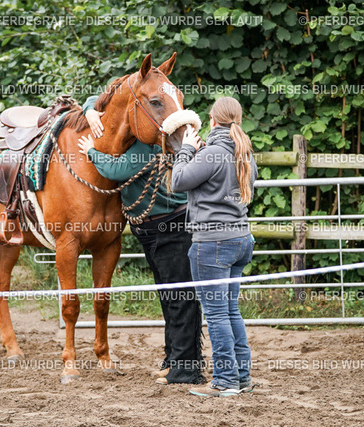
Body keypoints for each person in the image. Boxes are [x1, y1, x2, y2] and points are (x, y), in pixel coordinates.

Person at [77, 95, 205, 385]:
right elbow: (108, 98)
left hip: (170, 229)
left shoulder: (148, 146)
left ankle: (186, 368)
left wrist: (91, 151)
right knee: (171, 298)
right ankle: (175, 360)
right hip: (156, 230)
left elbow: (115, 170)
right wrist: (90, 110)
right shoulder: (152, 140)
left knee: (179, 299)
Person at [171, 96, 258, 398]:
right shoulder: (244, 152)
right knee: (230, 311)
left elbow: (178, 181)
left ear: (212, 120)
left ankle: (224, 380)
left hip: (212, 244)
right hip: (240, 239)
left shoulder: (212, 154)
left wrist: (185, 150)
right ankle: (242, 377)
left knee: (217, 314)